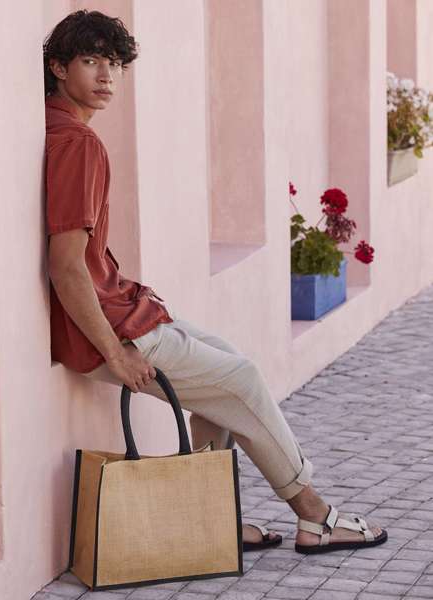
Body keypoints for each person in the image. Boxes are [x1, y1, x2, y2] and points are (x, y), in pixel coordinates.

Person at [43, 9, 387, 555]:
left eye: (114, 64)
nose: (106, 76)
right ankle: (315, 516)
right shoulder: (78, 143)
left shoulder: (58, 130)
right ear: (59, 67)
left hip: (122, 308)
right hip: (111, 327)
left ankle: (213, 521)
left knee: (226, 365)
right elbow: (65, 264)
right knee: (241, 380)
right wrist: (115, 353)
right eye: (90, 61)